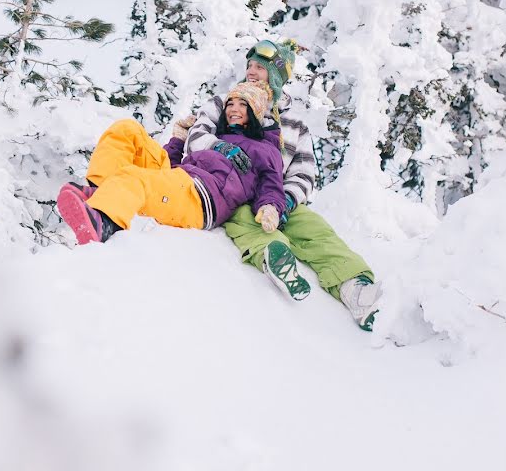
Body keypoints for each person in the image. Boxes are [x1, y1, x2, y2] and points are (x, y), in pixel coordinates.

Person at [185, 38, 381, 331]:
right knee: (245, 219)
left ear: (275, 76)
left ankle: (355, 288)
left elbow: (303, 172)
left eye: (259, 67)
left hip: (276, 196)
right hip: (232, 191)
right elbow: (195, 137)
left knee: (314, 227)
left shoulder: (294, 126)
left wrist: (285, 202)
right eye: (249, 65)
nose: (251, 71)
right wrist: (220, 147)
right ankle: (275, 257)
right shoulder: (226, 102)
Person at [57, 81, 286, 246]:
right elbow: (175, 163)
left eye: (242, 104)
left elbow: (272, 183)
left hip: (201, 198)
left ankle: (105, 223)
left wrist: (270, 207)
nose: (234, 109)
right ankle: (101, 194)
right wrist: (179, 139)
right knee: (126, 129)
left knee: (135, 178)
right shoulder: (215, 137)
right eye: (230, 104)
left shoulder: (264, 149)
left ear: (255, 111)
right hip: (181, 178)